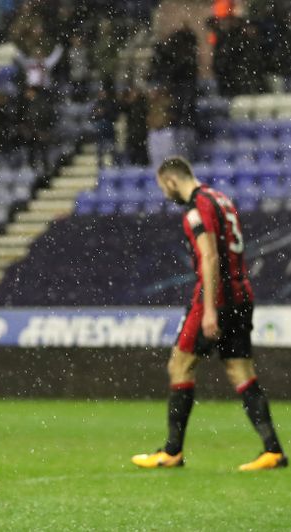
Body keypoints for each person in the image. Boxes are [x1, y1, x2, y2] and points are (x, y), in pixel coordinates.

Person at [132, 157, 286, 471]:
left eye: (164, 187)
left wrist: (210, 309)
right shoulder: (221, 199)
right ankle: (273, 451)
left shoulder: (195, 209)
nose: (165, 194)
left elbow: (210, 257)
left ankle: (172, 452)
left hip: (215, 297)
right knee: (240, 371)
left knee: (180, 364)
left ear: (172, 181)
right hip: (242, 293)